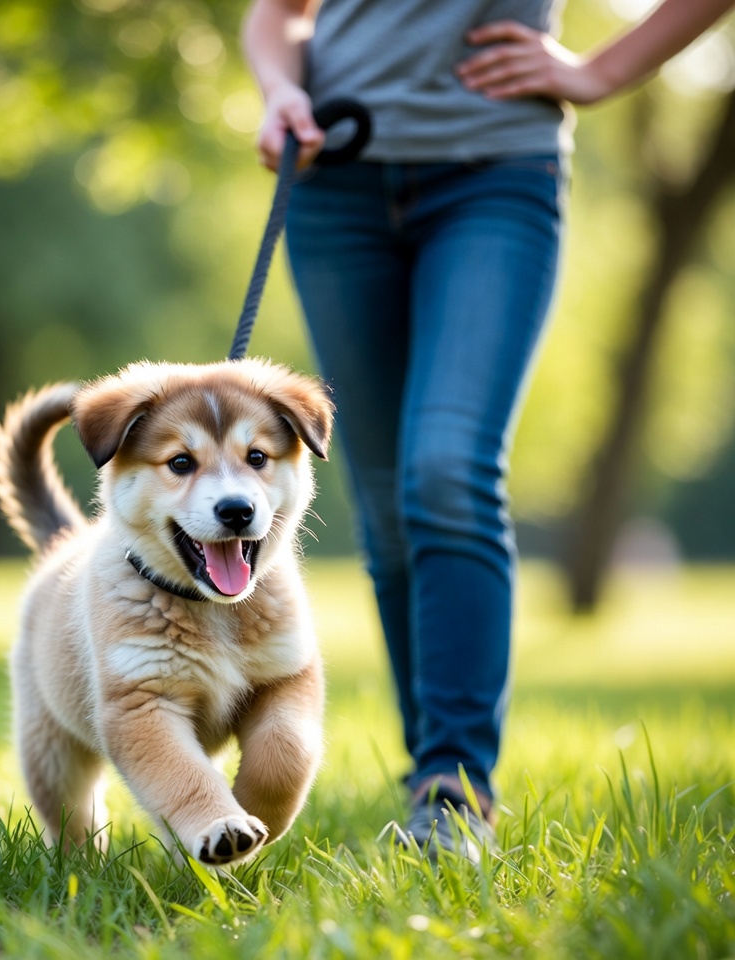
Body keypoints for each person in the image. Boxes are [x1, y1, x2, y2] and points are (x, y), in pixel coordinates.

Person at [242, 0, 735, 860]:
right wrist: (281, 88)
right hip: (336, 177)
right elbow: (280, 13)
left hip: (495, 172)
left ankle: (455, 788)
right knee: (388, 506)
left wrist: (603, 70)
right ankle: (429, 778)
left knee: (446, 467)